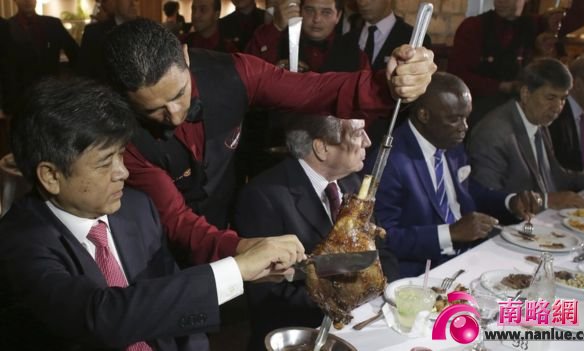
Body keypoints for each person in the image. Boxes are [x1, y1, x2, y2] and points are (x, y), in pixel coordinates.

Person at [0, 77, 305, 350]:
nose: (122, 172)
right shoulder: (20, 241)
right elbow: (102, 317)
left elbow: (177, 309)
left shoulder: (137, 208)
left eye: (121, 154)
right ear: (51, 176)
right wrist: (236, 269)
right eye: (105, 162)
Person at [101, 18, 436, 266]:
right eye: (155, 110)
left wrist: (388, 85)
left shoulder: (234, 73)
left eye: (179, 94)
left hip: (223, 215)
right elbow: (176, 221)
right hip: (157, 243)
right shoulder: (126, 139)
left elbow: (315, 91)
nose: (174, 116)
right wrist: (246, 249)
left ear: (186, 58)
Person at [236, 115, 398, 350]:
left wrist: (374, 290)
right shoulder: (263, 197)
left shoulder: (353, 185)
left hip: (363, 320)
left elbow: (385, 254)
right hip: (298, 337)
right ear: (322, 147)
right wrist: (347, 299)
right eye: (357, 133)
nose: (367, 141)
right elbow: (267, 296)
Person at [365, 72, 540, 277]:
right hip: (422, 271)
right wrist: (450, 233)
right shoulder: (389, 161)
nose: (464, 128)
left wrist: (509, 202)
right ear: (424, 115)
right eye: (454, 119)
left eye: (466, 117)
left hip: (469, 255)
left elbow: (467, 192)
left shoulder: (448, 141)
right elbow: (383, 238)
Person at [467, 58, 584, 210]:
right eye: (551, 97)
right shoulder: (495, 133)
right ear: (526, 93)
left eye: (563, 99)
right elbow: (486, 201)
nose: (557, 107)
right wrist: (546, 201)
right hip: (513, 227)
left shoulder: (538, 119)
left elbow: (554, 175)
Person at [448, 0, 584, 130]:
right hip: (484, 108)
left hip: (527, 109)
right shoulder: (474, 26)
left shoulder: (539, 25)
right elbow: (458, 76)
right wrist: (500, 86)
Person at [246, 0, 369, 72]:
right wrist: (276, 27)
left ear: (338, 16)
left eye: (326, 12)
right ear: (299, 11)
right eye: (310, 10)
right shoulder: (275, 38)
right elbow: (246, 69)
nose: (317, 19)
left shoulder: (355, 54)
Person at [6, 0, 79, 114]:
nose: (27, 1)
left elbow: (76, 55)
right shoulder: (7, 28)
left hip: (52, 98)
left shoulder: (53, 24)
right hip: (20, 102)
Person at [78, 0, 139, 81]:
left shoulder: (148, 30)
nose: (133, 3)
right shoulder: (94, 33)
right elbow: (84, 75)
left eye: (137, 0)